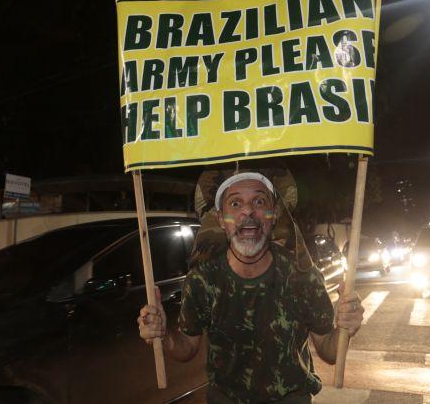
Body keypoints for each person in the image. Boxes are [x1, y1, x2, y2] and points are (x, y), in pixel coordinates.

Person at [138, 171, 364, 404]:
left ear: (274, 214)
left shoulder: (303, 276)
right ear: (220, 219)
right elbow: (187, 348)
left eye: (259, 201)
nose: (248, 211)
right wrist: (164, 335)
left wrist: (345, 328)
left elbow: (329, 351)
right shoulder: (202, 280)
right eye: (236, 203)